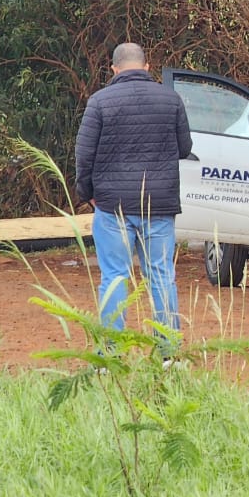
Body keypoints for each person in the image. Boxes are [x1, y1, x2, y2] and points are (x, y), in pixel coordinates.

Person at [75, 43, 192, 337]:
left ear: (113, 68)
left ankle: (110, 351)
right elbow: (185, 148)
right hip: (159, 203)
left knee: (114, 276)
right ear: (147, 66)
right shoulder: (171, 99)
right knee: (161, 275)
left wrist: (86, 191)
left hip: (112, 203)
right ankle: (167, 351)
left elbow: (84, 154)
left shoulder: (99, 102)